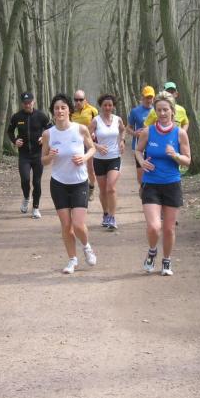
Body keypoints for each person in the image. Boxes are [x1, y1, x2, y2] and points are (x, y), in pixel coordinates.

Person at [134, 91, 191, 276]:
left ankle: (166, 260)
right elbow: (138, 150)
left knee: (168, 229)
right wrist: (142, 162)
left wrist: (175, 155)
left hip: (172, 184)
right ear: (155, 112)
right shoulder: (148, 131)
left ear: (172, 111)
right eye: (159, 110)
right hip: (151, 183)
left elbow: (188, 160)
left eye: (165, 109)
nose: (162, 113)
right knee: (154, 226)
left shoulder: (180, 133)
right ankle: (152, 252)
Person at [42, 93, 97, 274]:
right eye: (56, 108)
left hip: (79, 182)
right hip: (59, 183)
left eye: (63, 108)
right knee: (66, 226)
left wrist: (84, 157)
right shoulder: (48, 134)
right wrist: (49, 156)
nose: (60, 111)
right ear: (53, 112)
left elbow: (92, 148)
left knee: (78, 225)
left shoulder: (80, 129)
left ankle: (86, 246)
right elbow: (43, 160)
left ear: (69, 110)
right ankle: (72, 260)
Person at [7, 92, 51, 218]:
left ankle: (36, 208)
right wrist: (15, 140)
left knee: (37, 182)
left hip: (38, 154)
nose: (27, 105)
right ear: (22, 104)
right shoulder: (17, 117)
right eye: (25, 103)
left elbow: (51, 129)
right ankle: (26, 197)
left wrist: (44, 138)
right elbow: (10, 131)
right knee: (25, 179)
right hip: (24, 155)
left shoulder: (41, 116)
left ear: (33, 102)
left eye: (29, 102)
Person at [89, 94, 125, 230]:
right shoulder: (95, 121)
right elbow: (86, 138)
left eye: (110, 105)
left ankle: (112, 217)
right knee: (103, 190)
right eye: (105, 105)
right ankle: (105, 214)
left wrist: (122, 141)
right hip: (99, 159)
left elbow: (123, 130)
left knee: (111, 188)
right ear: (101, 106)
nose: (107, 107)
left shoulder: (118, 119)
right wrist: (97, 146)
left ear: (113, 106)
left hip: (114, 157)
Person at [70, 89, 99, 201]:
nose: (78, 102)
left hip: (88, 142)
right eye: (76, 100)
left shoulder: (93, 110)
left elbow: (98, 125)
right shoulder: (70, 111)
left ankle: (91, 187)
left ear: (85, 100)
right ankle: (77, 189)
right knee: (75, 166)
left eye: (80, 100)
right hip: (75, 143)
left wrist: (94, 133)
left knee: (90, 168)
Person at [127, 86, 155, 186]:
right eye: (147, 97)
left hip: (153, 145)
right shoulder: (135, 111)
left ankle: (149, 190)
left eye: (151, 97)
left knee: (152, 170)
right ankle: (142, 188)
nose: (149, 100)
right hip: (139, 146)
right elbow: (128, 128)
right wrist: (134, 133)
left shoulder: (157, 111)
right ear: (142, 97)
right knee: (141, 174)